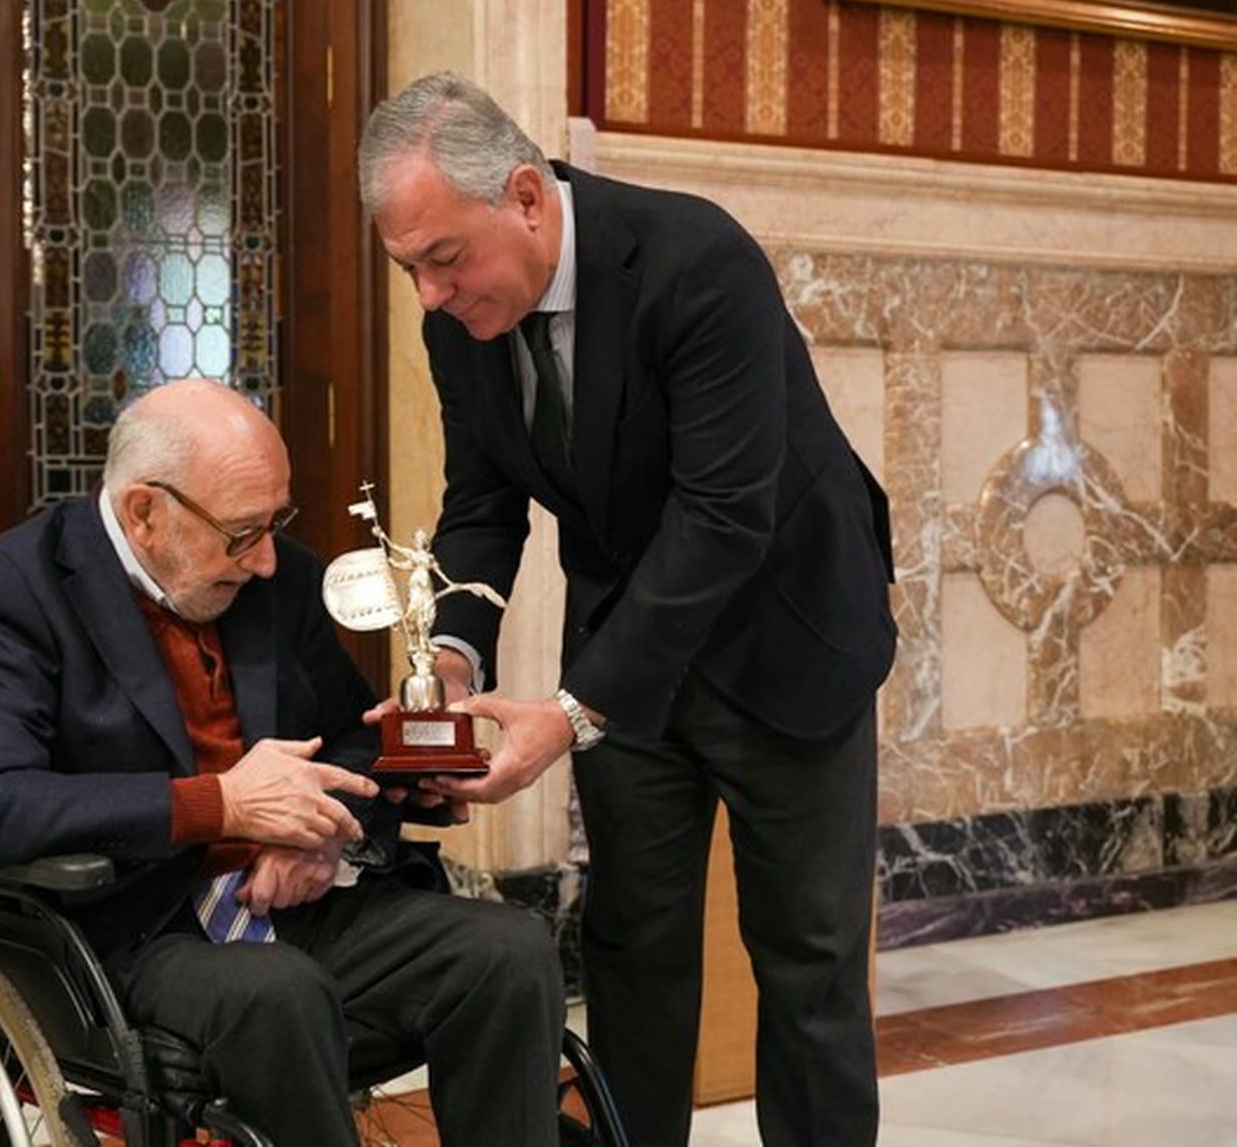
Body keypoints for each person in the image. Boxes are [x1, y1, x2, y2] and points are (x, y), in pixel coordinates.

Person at [359, 73, 897, 1147]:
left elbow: (722, 517)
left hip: (786, 633)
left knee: (807, 957)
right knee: (631, 943)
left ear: (522, 195)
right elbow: (481, 500)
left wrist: (568, 711)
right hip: (627, 647)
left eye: (442, 258)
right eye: (407, 267)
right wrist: (453, 658)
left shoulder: (693, 262)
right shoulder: (457, 320)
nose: (427, 295)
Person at [0, 379, 566, 1147]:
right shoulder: (18, 586)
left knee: (507, 951)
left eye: (277, 523)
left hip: (293, 901)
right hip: (137, 929)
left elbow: (355, 734)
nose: (268, 560)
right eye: (242, 533)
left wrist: (321, 833)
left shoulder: (282, 576)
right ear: (145, 514)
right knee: (277, 995)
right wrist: (222, 807)